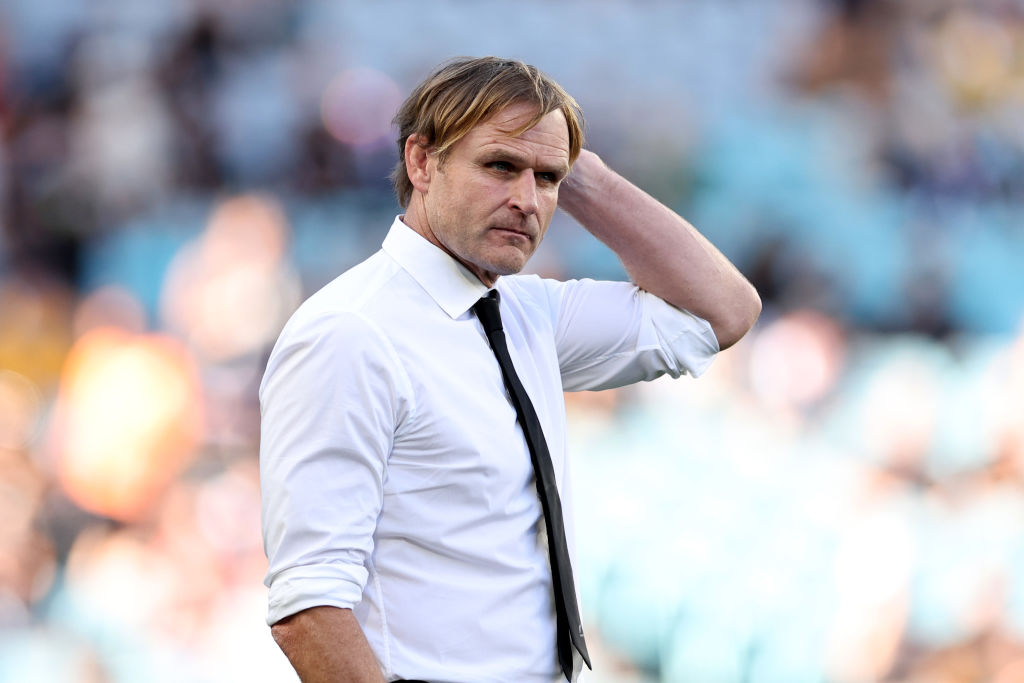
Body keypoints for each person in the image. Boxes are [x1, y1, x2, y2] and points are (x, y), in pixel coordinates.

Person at [259, 56, 761, 683]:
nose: (526, 200)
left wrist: (583, 177)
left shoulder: (527, 313)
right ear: (421, 162)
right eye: (500, 165)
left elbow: (723, 311)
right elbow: (308, 606)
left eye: (547, 177)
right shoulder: (351, 332)